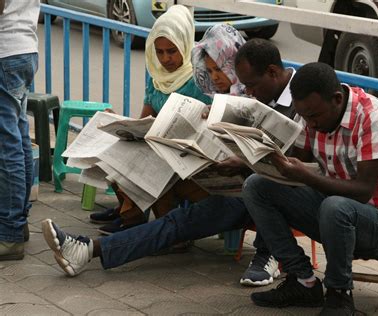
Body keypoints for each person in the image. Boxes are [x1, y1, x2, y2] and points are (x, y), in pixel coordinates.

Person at [41, 39, 296, 286]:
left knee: (260, 191)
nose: (248, 91)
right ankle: (86, 250)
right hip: (241, 189)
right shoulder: (258, 94)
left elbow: (300, 165)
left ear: (272, 72)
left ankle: (268, 253)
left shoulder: (303, 96)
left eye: (251, 85)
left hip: (283, 193)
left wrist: (243, 163)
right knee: (178, 221)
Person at [242, 62, 378, 315]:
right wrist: (250, 156)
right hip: (333, 215)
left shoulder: (374, 116)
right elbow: (296, 158)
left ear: (336, 99)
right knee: (256, 186)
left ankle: (339, 295)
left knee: (335, 206)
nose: (310, 124)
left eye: (314, 117)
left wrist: (306, 176)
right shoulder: (310, 113)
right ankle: (303, 280)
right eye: (305, 117)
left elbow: (363, 191)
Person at [89, 5, 212, 235]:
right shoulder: (157, 75)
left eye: (172, 51)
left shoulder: (198, 79)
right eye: (160, 51)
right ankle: (128, 210)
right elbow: (145, 118)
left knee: (152, 162)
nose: (165, 59)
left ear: (185, 44)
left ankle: (138, 217)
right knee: (115, 149)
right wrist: (121, 125)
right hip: (160, 144)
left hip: (187, 153)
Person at [0, 0, 39, 261]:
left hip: (5, 50)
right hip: (24, 48)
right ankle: (18, 222)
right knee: (19, 138)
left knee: (7, 146)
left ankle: (10, 232)